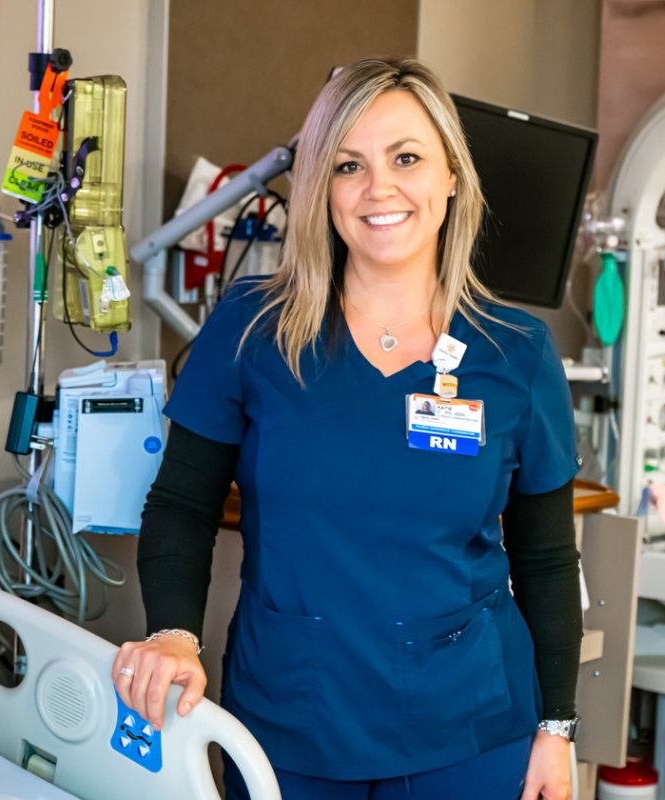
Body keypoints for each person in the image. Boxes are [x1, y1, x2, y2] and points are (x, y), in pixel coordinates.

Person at [112, 57, 582, 800]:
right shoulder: (252, 329)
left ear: (452, 176)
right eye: (348, 165)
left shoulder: (515, 354)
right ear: (318, 189)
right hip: (293, 727)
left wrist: (556, 730)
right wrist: (174, 629)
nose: (379, 189)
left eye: (406, 158)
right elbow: (182, 503)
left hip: (471, 733)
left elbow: (549, 558)